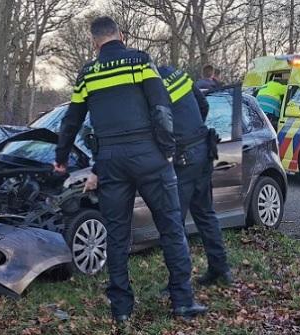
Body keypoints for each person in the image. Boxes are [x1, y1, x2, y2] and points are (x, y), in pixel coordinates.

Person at [53, 16, 207, 323]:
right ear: (120, 35)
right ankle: (182, 302)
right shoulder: (139, 61)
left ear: (94, 41)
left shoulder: (87, 75)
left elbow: (70, 121)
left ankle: (121, 309)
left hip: (110, 161)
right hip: (148, 155)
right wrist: (166, 149)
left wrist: (60, 157)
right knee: (171, 229)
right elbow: (161, 107)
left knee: (117, 236)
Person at [157, 65, 233, 287]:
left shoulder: (152, 83)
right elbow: (203, 104)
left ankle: (178, 283)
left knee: (174, 222)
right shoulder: (177, 74)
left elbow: (158, 123)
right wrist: (193, 130)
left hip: (184, 157)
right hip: (204, 149)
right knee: (205, 213)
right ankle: (221, 269)